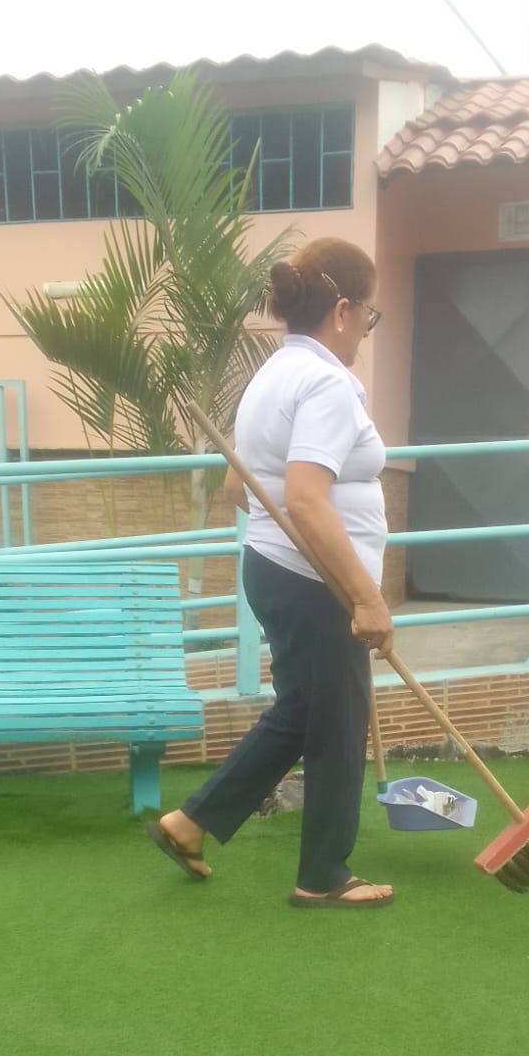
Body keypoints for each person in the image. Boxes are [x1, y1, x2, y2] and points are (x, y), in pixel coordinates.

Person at [148, 237, 394, 909]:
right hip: (317, 583)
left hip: (274, 570)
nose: (364, 331)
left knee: (302, 711)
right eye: (368, 316)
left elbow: (238, 486)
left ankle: (190, 821)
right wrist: (365, 598)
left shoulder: (274, 373)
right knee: (338, 725)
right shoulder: (326, 383)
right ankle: (323, 876)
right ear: (342, 310)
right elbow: (307, 499)